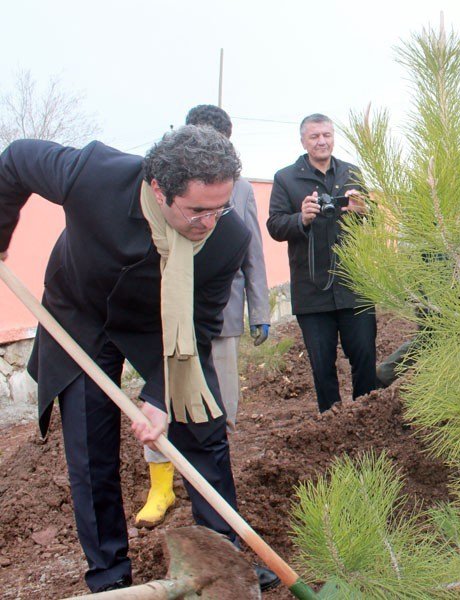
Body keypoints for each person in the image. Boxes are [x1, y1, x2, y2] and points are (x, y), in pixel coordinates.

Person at [0, 127, 279, 592]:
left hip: (162, 328)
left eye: (220, 207)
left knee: (202, 429)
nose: (209, 222)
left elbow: (201, 324)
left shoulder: (227, 239)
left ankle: (222, 559)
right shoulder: (93, 175)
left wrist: (159, 396)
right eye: (196, 210)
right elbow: (15, 161)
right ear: (157, 189)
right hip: (80, 315)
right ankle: (108, 575)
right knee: (90, 448)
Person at [135, 105, 272, 529]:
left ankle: (221, 538)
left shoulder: (239, 192)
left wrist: (258, 308)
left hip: (213, 314)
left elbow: (250, 250)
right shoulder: (156, 190)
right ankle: (161, 486)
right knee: (156, 408)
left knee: (211, 413)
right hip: (151, 319)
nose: (209, 219)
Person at [267, 113, 378, 413]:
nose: (321, 141)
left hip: (355, 287)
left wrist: (363, 211)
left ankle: (366, 417)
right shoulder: (286, 178)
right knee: (321, 364)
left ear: (333, 137)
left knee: (365, 356)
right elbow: (275, 226)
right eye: (314, 136)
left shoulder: (351, 173)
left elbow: (375, 221)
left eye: (326, 135)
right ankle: (331, 423)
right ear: (303, 140)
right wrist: (300, 218)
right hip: (312, 290)